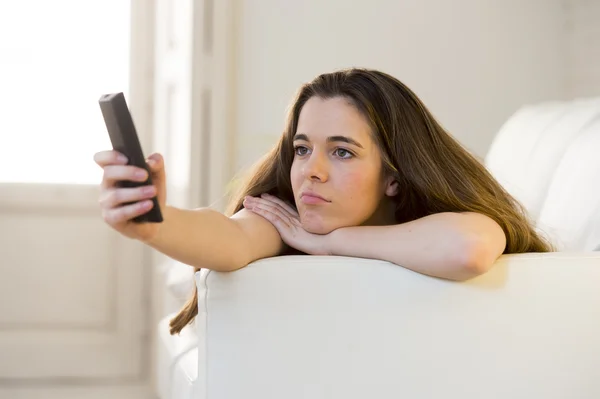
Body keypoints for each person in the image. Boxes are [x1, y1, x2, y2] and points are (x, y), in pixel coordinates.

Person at [94, 68, 554, 335]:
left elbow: (466, 250)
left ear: (393, 178)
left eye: (342, 151)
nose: (311, 170)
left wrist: (331, 243)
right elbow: (228, 237)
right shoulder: (289, 216)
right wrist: (154, 223)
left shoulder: (441, 221)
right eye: (301, 149)